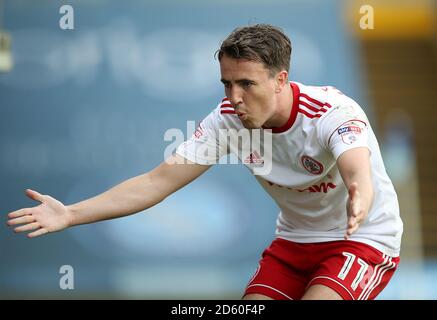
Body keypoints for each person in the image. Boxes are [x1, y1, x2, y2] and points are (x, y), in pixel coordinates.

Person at [7, 24, 403, 300]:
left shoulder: (331, 112)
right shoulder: (227, 121)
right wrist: (71, 214)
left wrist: (360, 195)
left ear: (281, 80)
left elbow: (356, 167)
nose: (234, 96)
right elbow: (155, 182)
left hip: (361, 240)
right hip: (296, 242)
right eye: (227, 83)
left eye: (246, 83)